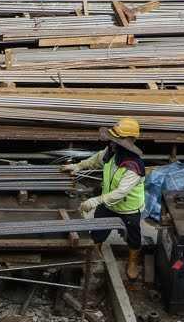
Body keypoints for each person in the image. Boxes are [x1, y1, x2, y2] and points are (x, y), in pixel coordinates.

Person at [61, 117, 147, 285]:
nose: (111, 142)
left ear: (128, 141)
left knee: (133, 237)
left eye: (115, 140)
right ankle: (92, 257)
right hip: (108, 205)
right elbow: (97, 158)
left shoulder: (134, 166)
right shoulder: (112, 152)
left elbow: (121, 192)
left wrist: (94, 201)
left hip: (128, 208)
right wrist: (79, 166)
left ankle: (132, 262)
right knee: (97, 233)